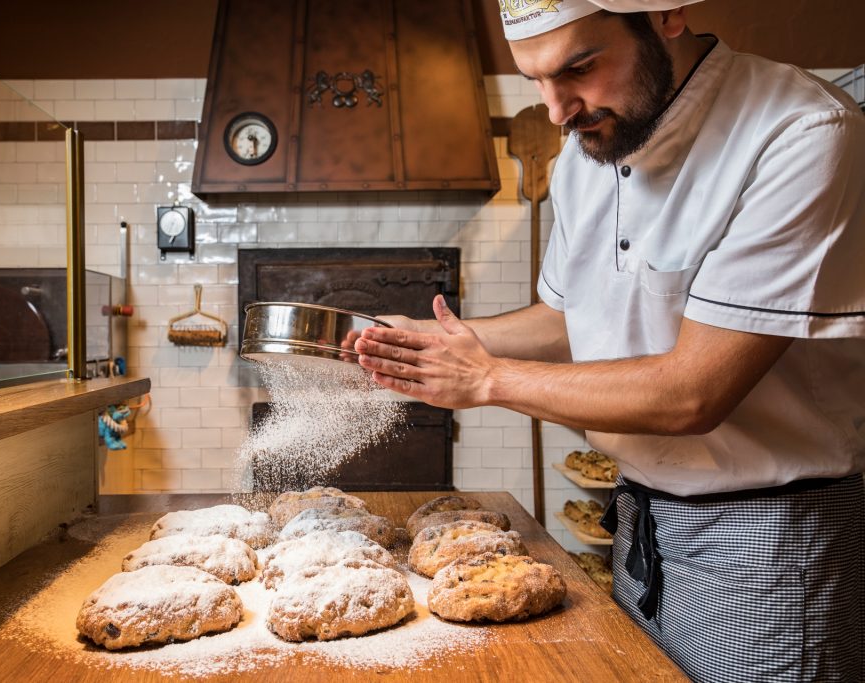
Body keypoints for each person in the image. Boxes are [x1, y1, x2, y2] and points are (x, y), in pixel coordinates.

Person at [354, 1, 865, 681]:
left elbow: (694, 391)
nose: (558, 108)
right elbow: (569, 321)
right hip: (640, 525)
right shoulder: (586, 150)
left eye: (579, 68)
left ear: (667, 15)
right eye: (535, 80)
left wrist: (484, 378)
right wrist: (441, 339)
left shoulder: (799, 133)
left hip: (768, 546)